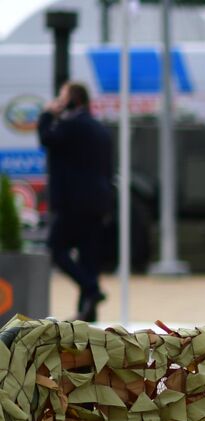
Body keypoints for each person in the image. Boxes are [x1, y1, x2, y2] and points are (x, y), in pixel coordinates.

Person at [37, 82, 113, 322]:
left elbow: (46, 138)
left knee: (56, 248)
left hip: (72, 203)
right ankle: (88, 314)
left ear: (74, 100)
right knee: (89, 258)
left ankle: (91, 289)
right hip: (96, 203)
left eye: (62, 97)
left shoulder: (70, 125)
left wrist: (48, 114)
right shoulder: (100, 128)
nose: (59, 101)